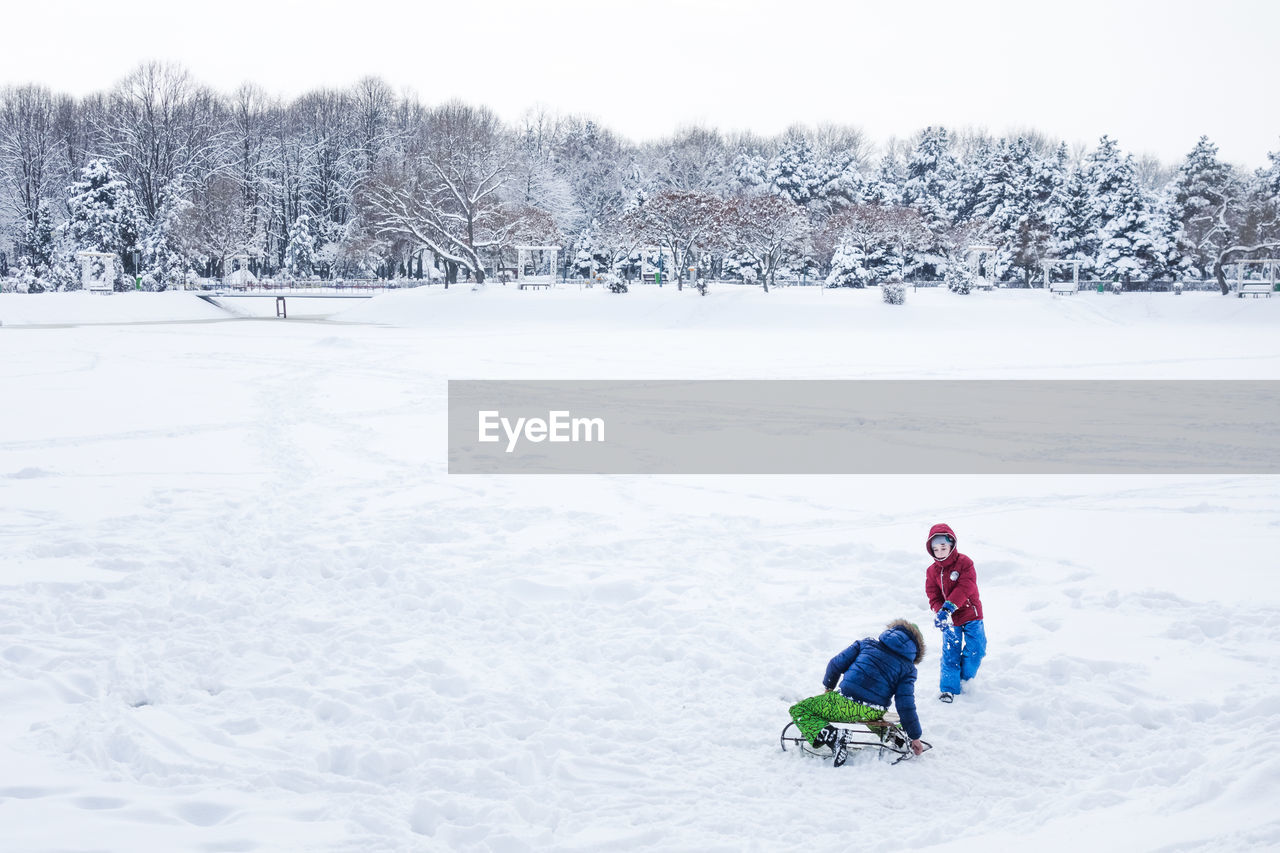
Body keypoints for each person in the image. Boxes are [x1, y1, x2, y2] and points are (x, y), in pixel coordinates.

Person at [788, 620, 927, 766]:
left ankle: (833, 737)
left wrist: (829, 688)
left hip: (844, 703)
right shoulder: (908, 669)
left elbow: (835, 664)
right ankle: (895, 735)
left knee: (800, 709)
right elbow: (905, 704)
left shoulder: (866, 644)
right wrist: (915, 736)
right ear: (916, 649)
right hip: (873, 711)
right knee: (874, 715)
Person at [925, 523, 987, 703]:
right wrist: (940, 612)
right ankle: (948, 689)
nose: (940, 551)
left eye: (943, 546)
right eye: (936, 549)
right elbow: (933, 594)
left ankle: (965, 679)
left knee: (977, 649)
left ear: (951, 545)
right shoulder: (932, 571)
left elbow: (966, 587)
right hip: (950, 620)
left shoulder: (965, 563)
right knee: (950, 652)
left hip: (971, 614)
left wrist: (948, 607)